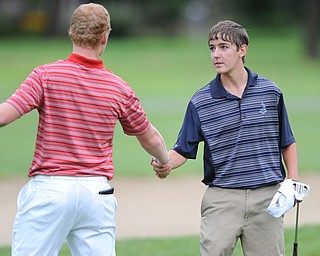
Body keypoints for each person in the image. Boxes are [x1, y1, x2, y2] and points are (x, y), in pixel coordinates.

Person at [0, 3, 170, 256]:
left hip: (50, 190)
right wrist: (164, 161)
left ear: (71, 32)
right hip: (96, 192)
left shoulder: (45, 76)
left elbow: (3, 116)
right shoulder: (118, 88)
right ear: (105, 37)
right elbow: (150, 137)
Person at [152, 20, 299, 256]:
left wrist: (292, 182)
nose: (216, 55)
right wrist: (165, 163)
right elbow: (183, 149)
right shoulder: (200, 101)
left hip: (266, 197)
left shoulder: (270, 92)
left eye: (223, 47)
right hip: (222, 198)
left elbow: (287, 141)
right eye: (212, 48)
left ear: (243, 50)